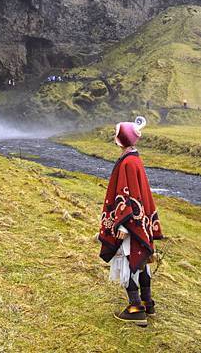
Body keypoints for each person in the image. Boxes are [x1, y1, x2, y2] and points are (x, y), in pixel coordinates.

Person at [98, 116, 163, 327]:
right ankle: (148, 302)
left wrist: (124, 224)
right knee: (141, 261)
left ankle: (136, 309)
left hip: (130, 224)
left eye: (116, 134)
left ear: (120, 139)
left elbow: (127, 195)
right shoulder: (134, 158)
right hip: (139, 222)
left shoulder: (127, 162)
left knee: (129, 260)